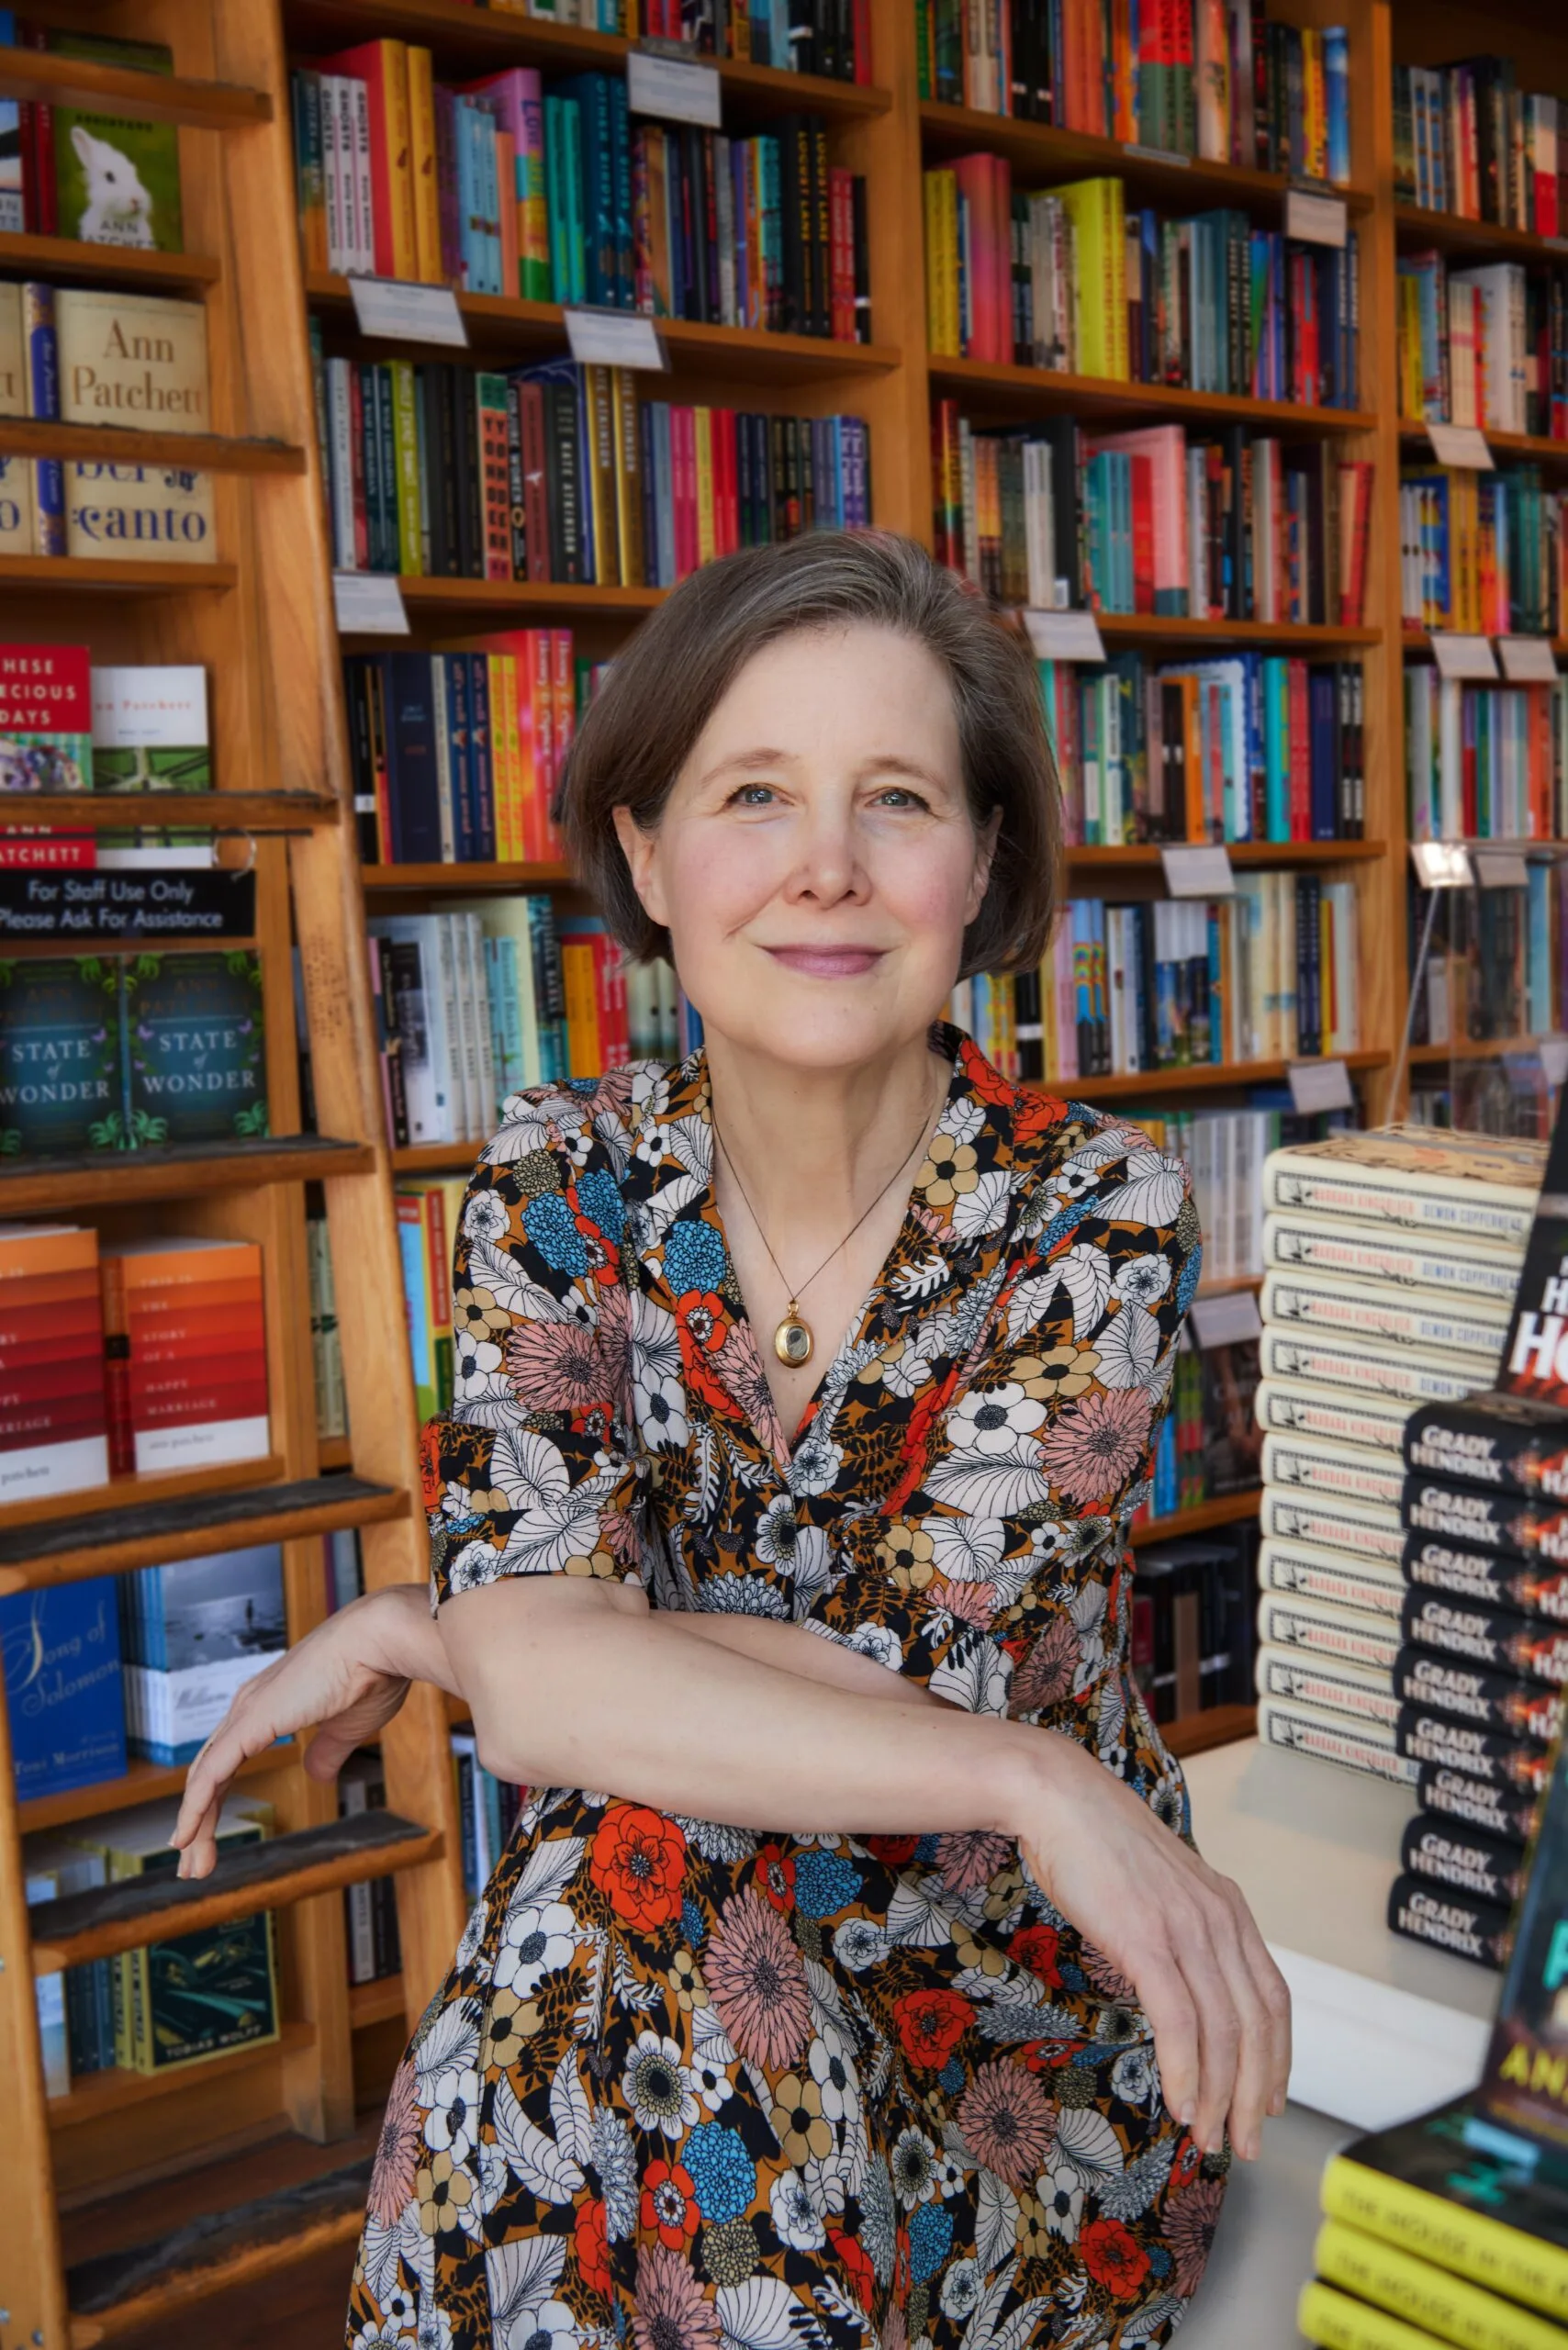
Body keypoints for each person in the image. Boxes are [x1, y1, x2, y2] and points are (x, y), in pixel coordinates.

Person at [174, 531, 1289, 2350]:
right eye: (752, 791)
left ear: (983, 857)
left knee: (642, 1842)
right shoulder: (554, 1177)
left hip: (988, 2015)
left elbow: (897, 1694)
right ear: (644, 851)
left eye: (897, 797)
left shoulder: (1092, 1208)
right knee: (638, 1857)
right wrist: (1040, 1777)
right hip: (664, 1969)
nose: (825, 866)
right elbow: (556, 1695)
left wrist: (447, 1629)